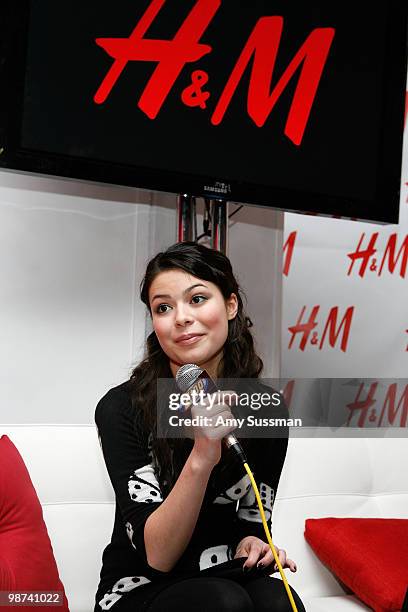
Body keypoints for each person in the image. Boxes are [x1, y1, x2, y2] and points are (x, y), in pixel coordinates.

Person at [94, 241, 306, 612]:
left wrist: (253, 545)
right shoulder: (122, 408)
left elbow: (253, 525)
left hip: (224, 574)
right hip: (140, 587)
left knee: (279, 601)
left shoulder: (266, 406)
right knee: (222, 603)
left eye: (197, 299)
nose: (180, 318)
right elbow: (157, 555)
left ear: (230, 305)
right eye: (163, 307)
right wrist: (202, 455)